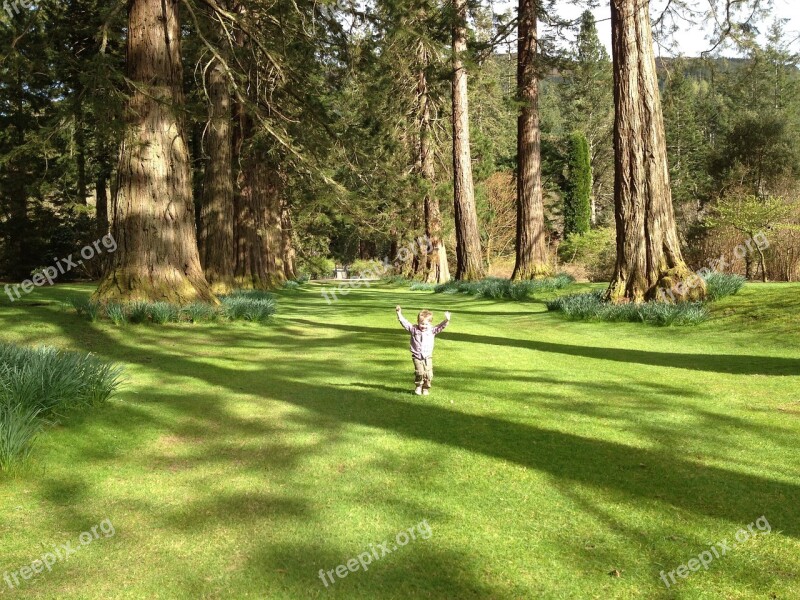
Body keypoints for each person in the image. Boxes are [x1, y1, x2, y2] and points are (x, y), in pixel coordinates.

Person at [395, 305, 451, 395]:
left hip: (427, 356)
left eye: (426, 324)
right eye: (421, 324)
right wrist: (399, 313)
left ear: (430, 323)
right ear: (418, 322)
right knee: (420, 372)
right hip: (417, 355)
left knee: (429, 373)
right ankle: (418, 386)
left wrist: (446, 320)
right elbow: (405, 323)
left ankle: (425, 388)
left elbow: (441, 326)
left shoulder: (432, 331)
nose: (423, 326)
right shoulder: (414, 330)